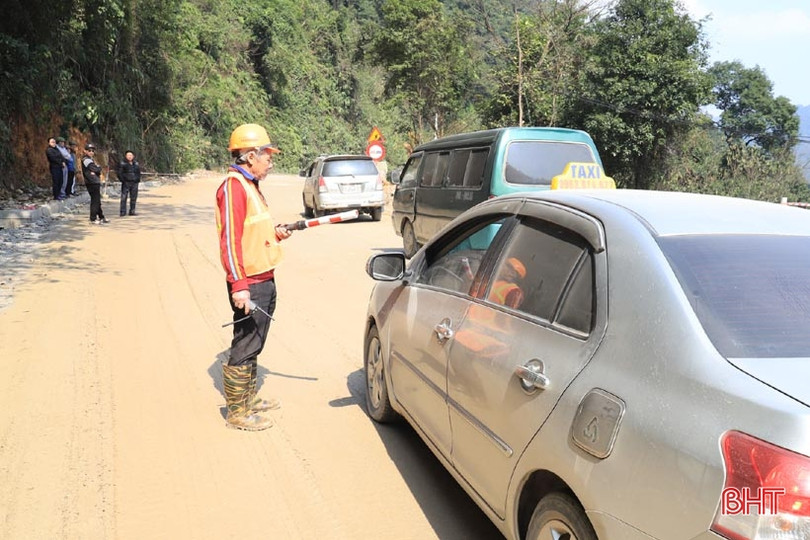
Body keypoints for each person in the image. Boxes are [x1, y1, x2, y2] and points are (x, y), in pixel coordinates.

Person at [215, 123, 292, 431]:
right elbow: (230, 241)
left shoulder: (250, 186)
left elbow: (251, 232)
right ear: (249, 156)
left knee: (256, 340)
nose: (271, 162)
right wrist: (239, 287)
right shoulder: (233, 186)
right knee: (246, 342)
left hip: (264, 276)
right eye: (267, 156)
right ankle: (237, 412)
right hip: (250, 282)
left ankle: (247, 399)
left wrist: (274, 234)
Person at [81, 143, 109, 224]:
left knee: (97, 201)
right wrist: (98, 168)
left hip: (95, 181)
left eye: (93, 151)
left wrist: (96, 169)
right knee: (95, 201)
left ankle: (101, 217)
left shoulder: (91, 159)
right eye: (89, 150)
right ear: (85, 151)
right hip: (91, 182)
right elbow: (96, 169)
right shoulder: (86, 160)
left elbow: (96, 169)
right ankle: (93, 218)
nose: (91, 152)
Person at [118, 150, 142, 216]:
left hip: (134, 182)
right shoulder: (122, 163)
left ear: (133, 156)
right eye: (128, 155)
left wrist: (137, 179)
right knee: (124, 197)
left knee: (133, 197)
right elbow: (119, 173)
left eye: (131, 155)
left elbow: (138, 172)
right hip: (126, 182)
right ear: (126, 156)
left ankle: (132, 211)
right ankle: (123, 211)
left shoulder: (136, 163)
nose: (129, 157)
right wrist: (123, 180)